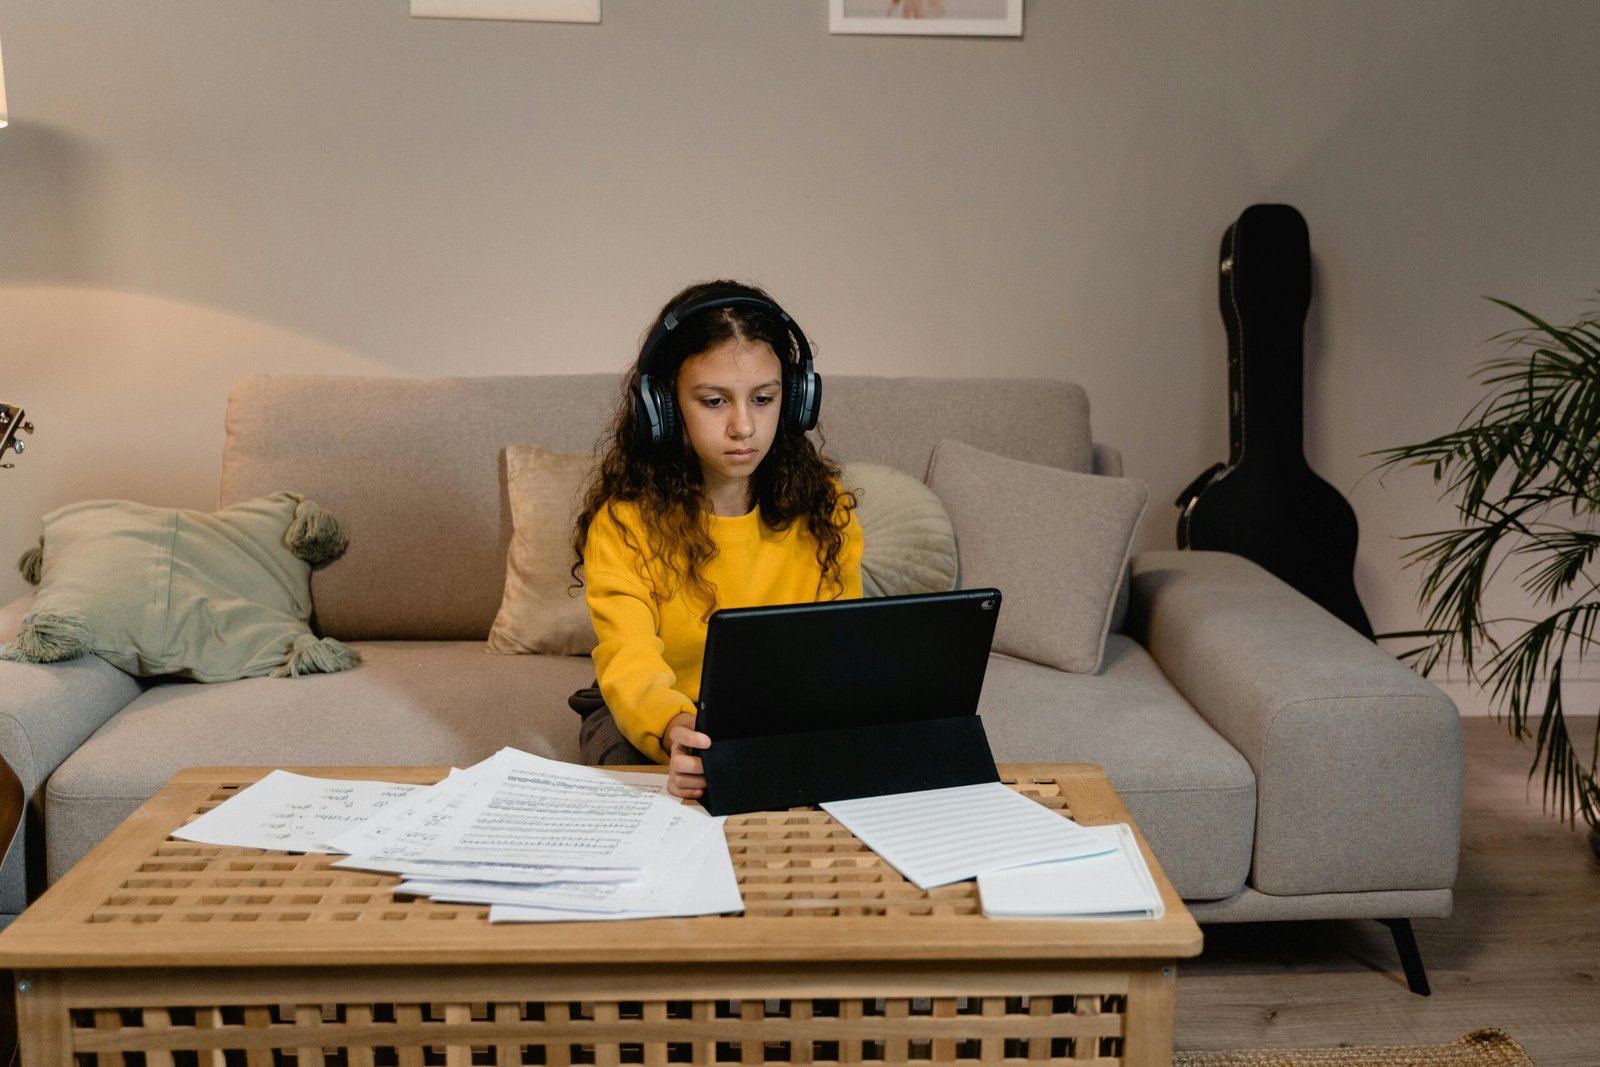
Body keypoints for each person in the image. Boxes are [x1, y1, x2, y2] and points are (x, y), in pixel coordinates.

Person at [570, 280, 863, 799]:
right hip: (653, 711)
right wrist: (673, 731)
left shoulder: (827, 511)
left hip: (777, 713)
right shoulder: (625, 524)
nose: (743, 426)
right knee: (647, 781)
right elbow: (629, 659)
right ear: (662, 406)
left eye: (764, 399)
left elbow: (836, 655)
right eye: (713, 401)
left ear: (794, 402)